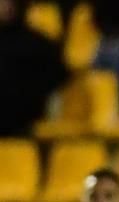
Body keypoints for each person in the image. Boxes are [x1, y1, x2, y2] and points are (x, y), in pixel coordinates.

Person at [0, 0, 68, 137]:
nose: (3, 8)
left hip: (25, 120)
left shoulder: (37, 43)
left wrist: (32, 92)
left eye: (6, 3)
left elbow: (59, 73)